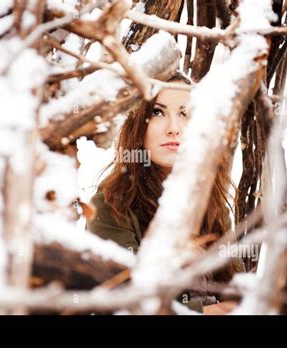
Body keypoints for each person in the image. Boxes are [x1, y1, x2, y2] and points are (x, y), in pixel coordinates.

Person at [86, 71, 245, 314]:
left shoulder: (210, 198)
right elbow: (125, 301)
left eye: (185, 113)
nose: (174, 128)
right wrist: (204, 312)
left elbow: (237, 288)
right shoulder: (111, 203)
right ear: (137, 122)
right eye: (157, 112)